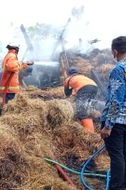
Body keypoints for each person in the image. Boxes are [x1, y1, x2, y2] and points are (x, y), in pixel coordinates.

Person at [100, 36, 126, 190]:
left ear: (115, 51)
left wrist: (108, 126)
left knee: (117, 157)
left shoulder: (119, 69)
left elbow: (116, 100)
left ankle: (117, 187)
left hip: (117, 123)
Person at [63, 67, 98, 133]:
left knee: (82, 110)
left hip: (85, 88)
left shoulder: (68, 79)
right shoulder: (82, 76)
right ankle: (93, 125)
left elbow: (67, 93)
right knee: (88, 107)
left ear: (68, 74)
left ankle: (89, 132)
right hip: (94, 87)